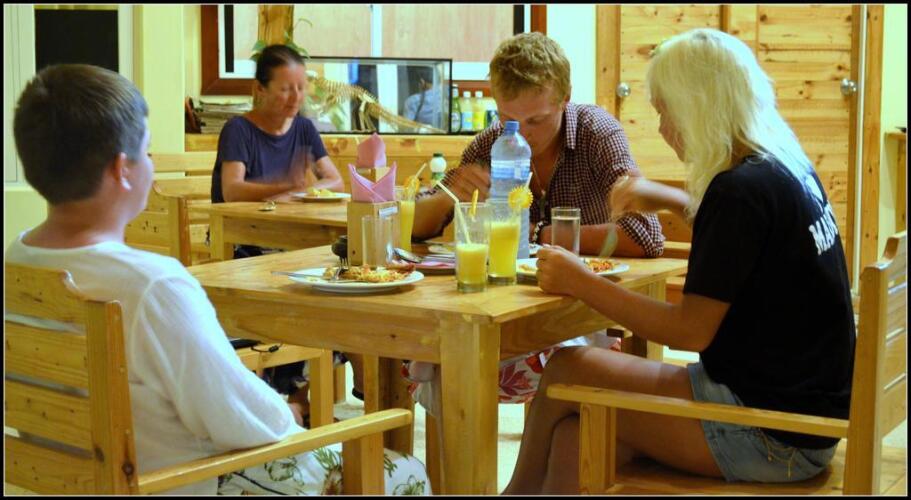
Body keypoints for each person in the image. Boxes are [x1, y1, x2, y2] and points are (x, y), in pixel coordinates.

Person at [7, 63, 429, 495]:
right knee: (407, 470)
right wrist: (287, 414)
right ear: (122, 169)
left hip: (72, 484)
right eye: (147, 153)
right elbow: (247, 423)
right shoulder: (153, 286)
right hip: (184, 483)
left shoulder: (15, 263)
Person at [504, 28, 855, 494]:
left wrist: (581, 280)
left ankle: (514, 493)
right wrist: (669, 199)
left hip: (771, 433)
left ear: (697, 108)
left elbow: (689, 331)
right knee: (575, 434)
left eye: (666, 112)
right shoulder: (784, 166)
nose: (663, 129)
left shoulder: (739, 192)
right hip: (803, 416)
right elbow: (744, 236)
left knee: (567, 369)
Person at [405, 32, 665, 415]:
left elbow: (647, 235)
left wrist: (540, 235)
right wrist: (448, 196)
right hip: (509, 307)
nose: (522, 134)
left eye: (536, 120)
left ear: (565, 97)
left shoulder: (597, 133)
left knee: (457, 360)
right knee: (438, 354)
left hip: (584, 310)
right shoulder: (494, 142)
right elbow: (416, 228)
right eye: (507, 119)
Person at [209, 44, 363, 417]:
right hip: (243, 240)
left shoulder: (304, 128)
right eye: (285, 88)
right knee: (303, 292)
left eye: (300, 87)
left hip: (291, 239)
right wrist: (287, 187)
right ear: (259, 89)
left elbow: (333, 179)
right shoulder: (238, 130)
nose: (295, 97)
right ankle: (297, 397)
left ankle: (302, 398)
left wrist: (301, 190)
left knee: (340, 285)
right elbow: (232, 190)